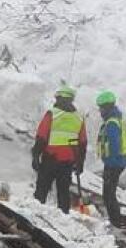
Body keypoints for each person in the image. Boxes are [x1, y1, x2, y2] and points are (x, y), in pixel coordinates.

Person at [32, 86, 86, 214]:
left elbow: (41, 136)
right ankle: (64, 217)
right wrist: (80, 163)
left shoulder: (52, 114)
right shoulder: (78, 118)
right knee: (63, 193)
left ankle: (35, 216)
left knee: (41, 191)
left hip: (50, 159)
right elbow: (82, 143)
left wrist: (35, 156)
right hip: (67, 162)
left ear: (58, 98)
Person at [95, 90, 126, 225]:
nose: (100, 111)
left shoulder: (111, 123)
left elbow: (115, 144)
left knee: (108, 194)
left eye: (101, 108)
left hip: (114, 162)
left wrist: (111, 163)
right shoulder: (115, 120)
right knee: (109, 194)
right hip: (115, 162)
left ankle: (116, 221)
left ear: (107, 107)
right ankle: (116, 220)